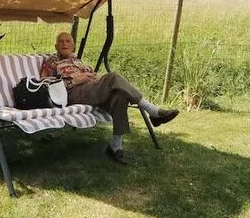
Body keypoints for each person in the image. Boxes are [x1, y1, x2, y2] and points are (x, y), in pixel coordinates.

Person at [40, 32, 179, 164]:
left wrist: (95, 79)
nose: (65, 44)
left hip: (93, 89)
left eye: (68, 41)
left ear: (73, 46)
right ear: (56, 46)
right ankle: (152, 111)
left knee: (119, 95)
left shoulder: (78, 61)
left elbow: (94, 76)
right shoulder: (51, 62)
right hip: (74, 93)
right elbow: (45, 84)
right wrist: (74, 80)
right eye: (61, 41)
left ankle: (115, 146)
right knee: (113, 77)